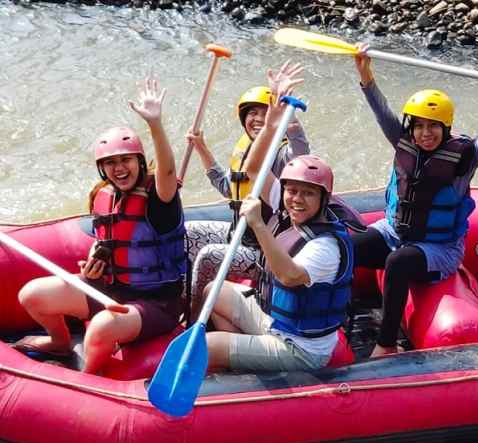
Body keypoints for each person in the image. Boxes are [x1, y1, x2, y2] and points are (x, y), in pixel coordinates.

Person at [353, 43, 478, 357]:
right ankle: (330, 323)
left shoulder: (464, 159)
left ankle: (386, 345)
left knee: (398, 262)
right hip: (395, 232)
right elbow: (381, 112)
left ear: (445, 128)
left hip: (438, 250)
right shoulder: (402, 142)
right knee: (345, 246)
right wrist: (366, 75)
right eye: (420, 126)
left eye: (433, 126)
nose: (426, 133)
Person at [14, 78, 186, 373]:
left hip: (158, 304)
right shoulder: (104, 196)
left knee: (102, 327)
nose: (118, 168)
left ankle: (88, 379)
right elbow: (110, 243)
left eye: (126, 160)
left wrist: (155, 125)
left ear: (141, 162)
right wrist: (95, 264)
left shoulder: (160, 199)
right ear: (102, 169)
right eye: (110, 163)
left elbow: (168, 169)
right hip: (111, 289)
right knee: (32, 294)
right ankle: (59, 342)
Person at [204, 154, 356, 373]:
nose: (297, 199)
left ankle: (234, 367)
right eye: (292, 191)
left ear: (324, 198)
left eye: (308, 193)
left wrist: (258, 224)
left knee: (209, 346)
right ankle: (242, 367)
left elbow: (288, 275)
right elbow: (254, 167)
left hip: (300, 349)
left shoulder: (326, 246)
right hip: (275, 322)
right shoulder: (290, 213)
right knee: (213, 291)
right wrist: (270, 125)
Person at [184, 62, 307, 317]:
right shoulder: (245, 149)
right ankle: (182, 297)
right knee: (188, 231)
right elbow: (229, 190)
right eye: (252, 113)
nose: (258, 119)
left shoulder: (282, 154)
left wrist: (290, 118)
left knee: (208, 256)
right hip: (239, 235)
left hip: (264, 251)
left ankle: (195, 318)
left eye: (264, 112)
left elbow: (302, 154)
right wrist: (202, 148)